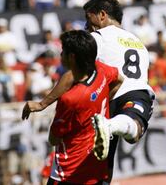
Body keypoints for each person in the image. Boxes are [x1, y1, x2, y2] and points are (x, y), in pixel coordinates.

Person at [22, 0, 155, 182]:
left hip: (105, 104)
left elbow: (72, 74)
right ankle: (112, 126)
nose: (87, 24)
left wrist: (43, 103)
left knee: (94, 163)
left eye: (88, 18)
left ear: (102, 15)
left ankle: (109, 126)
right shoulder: (138, 41)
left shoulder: (97, 38)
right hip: (136, 94)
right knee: (133, 132)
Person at [46, 30, 120, 184]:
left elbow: (53, 139)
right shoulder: (101, 70)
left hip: (69, 172)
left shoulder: (70, 99)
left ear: (72, 57)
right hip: (95, 165)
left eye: (63, 51)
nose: (60, 55)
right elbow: (119, 79)